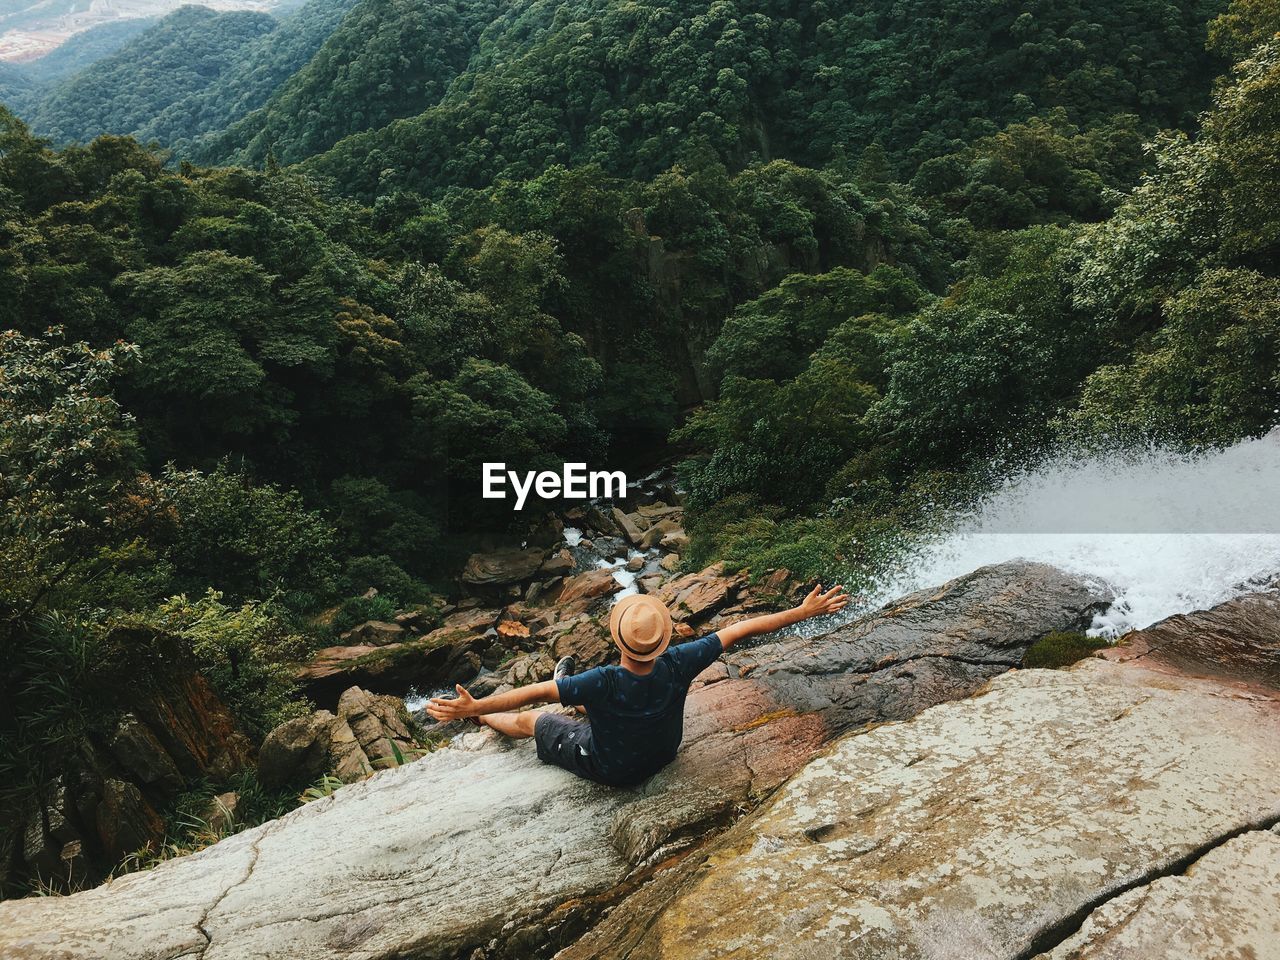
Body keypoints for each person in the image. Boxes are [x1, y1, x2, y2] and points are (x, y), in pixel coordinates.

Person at [425, 582, 850, 787]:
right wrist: (801, 611)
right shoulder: (679, 662)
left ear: (618, 638)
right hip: (664, 752)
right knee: (590, 703)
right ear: (660, 638)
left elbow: (534, 695)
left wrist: (476, 708)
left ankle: (491, 724)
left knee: (530, 719)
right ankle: (576, 703)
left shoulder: (604, 680)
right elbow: (738, 630)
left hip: (612, 768)